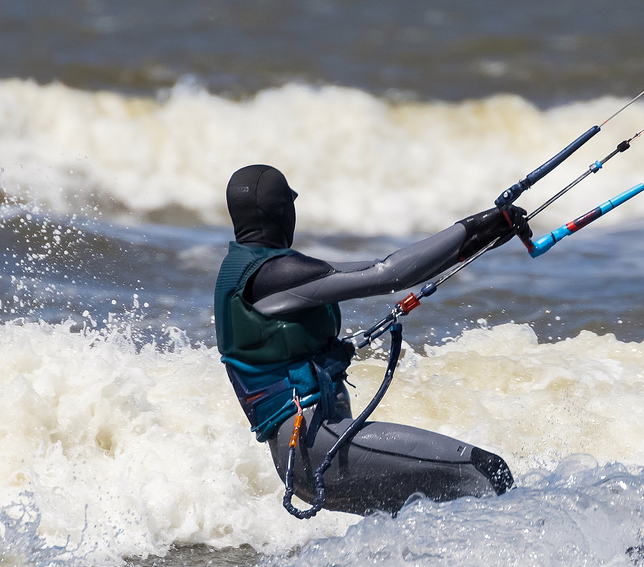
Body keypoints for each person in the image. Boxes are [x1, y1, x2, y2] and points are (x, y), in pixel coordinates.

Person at [214, 164, 525, 516]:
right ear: (282, 210)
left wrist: (481, 238)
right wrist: (473, 227)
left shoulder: (245, 270)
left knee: (430, 513)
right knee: (486, 472)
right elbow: (390, 272)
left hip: (308, 450)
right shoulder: (273, 275)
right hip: (315, 446)